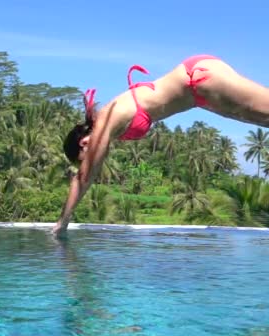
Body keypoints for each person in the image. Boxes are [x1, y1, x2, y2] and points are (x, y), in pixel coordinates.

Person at [53, 54, 269, 237]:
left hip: (198, 80)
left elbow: (84, 177)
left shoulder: (105, 121)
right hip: (198, 92)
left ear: (84, 143)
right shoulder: (109, 123)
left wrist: (62, 223)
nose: (94, 157)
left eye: (85, 155)